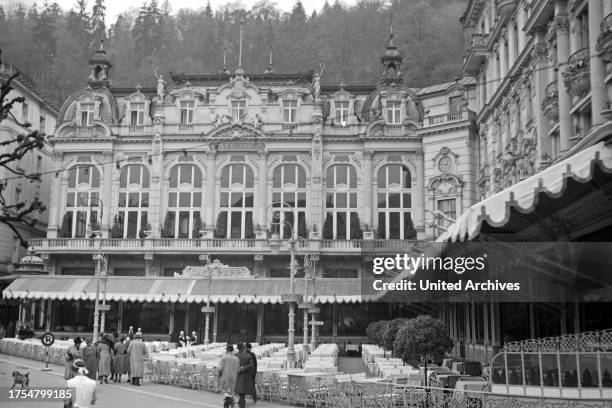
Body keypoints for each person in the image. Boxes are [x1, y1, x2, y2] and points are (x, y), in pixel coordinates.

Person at [234, 343, 254, 408]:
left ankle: (241, 401)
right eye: (244, 347)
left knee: (241, 390)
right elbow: (251, 365)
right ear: (243, 348)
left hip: (238, 375)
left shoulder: (235, 356)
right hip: (245, 376)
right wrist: (244, 368)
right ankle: (242, 403)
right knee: (242, 391)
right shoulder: (248, 355)